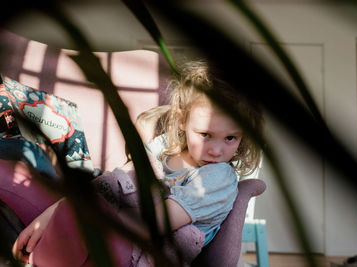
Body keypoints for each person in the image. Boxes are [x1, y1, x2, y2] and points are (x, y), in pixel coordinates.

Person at [12, 59, 264, 265]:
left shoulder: (218, 178)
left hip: (141, 254)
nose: (217, 150)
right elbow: (114, 183)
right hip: (112, 234)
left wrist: (84, 214)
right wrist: (50, 215)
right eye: (205, 135)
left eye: (231, 138)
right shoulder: (163, 147)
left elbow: (154, 224)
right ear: (181, 120)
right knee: (22, 180)